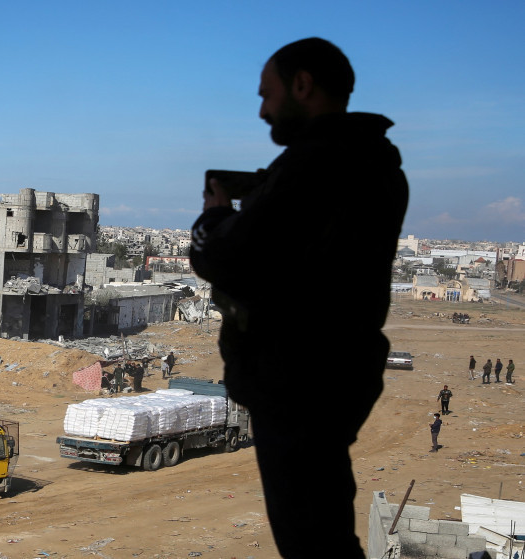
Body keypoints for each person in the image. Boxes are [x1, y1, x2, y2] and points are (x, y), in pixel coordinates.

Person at [188, 38, 408, 559]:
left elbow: (224, 258)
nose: (262, 110)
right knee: (323, 528)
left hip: (299, 377)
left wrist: (215, 217)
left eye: (267, 94)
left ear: (303, 85)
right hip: (331, 371)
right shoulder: (373, 163)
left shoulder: (317, 166)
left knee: (311, 539)